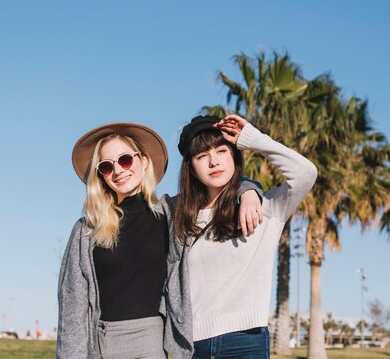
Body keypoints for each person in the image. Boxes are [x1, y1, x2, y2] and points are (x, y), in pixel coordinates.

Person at [57, 122, 263, 359]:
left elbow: (218, 185)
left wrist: (248, 191)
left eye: (125, 160)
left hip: (151, 342)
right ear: (101, 176)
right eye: (106, 166)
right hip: (102, 344)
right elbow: (73, 306)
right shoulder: (85, 230)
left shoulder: (173, 212)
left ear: (143, 161)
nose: (118, 171)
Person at [164, 114, 318, 359]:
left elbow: (306, 173)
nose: (213, 162)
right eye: (202, 156)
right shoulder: (177, 216)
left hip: (247, 342)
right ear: (191, 168)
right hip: (194, 346)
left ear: (234, 156)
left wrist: (252, 139)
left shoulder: (266, 209)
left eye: (221, 151)